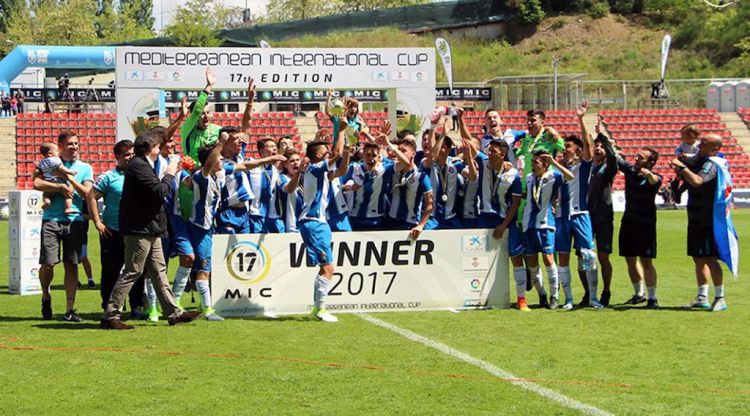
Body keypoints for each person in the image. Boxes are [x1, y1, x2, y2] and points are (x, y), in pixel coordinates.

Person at [101, 130, 201, 330]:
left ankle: (174, 313)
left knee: (159, 271)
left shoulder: (143, 165)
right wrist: (171, 172)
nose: (161, 148)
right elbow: (160, 191)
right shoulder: (139, 166)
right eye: (157, 146)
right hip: (139, 228)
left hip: (150, 227)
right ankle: (111, 315)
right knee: (133, 270)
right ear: (149, 148)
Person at [33, 131, 94, 322]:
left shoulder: (85, 167)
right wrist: (58, 187)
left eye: (76, 143)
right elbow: (36, 182)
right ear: (60, 146)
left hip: (74, 221)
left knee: (72, 264)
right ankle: (46, 295)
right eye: (70, 144)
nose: (75, 147)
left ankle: (69, 309)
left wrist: (69, 182)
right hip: (51, 219)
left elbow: (87, 192)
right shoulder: (50, 162)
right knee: (48, 263)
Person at [670, 134, 730, 312]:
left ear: (714, 149)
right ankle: (702, 296)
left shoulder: (712, 163)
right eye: (701, 142)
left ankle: (720, 297)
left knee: (710, 257)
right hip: (695, 215)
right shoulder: (699, 160)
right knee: (698, 256)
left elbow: (697, 181)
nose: (699, 145)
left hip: (708, 218)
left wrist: (683, 168)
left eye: (705, 143)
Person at [554, 101, 602, 310]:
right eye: (564, 147)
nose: (565, 150)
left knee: (588, 255)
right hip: (561, 217)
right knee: (563, 256)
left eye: (569, 147)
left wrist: (581, 119)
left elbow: (589, 146)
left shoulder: (584, 166)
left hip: (581, 214)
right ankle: (568, 299)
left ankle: (592, 297)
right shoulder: (557, 168)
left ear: (578, 151)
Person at [297, 136, 350, 323]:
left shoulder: (321, 172)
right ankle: (320, 310)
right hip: (314, 222)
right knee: (328, 267)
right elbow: (336, 154)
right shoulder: (315, 168)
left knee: (326, 267)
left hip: (319, 222)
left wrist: (348, 150)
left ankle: (318, 309)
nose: (329, 154)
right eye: (325, 152)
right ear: (319, 156)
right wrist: (342, 129)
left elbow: (342, 169)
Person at [86, 140, 135, 311]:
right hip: (112, 232)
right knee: (110, 272)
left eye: (132, 154)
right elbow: (91, 196)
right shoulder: (108, 177)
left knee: (135, 271)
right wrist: (97, 222)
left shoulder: (139, 174)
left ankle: (136, 305)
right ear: (117, 157)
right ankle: (109, 304)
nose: (130, 157)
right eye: (126, 154)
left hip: (134, 231)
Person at [522, 150, 574, 309]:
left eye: (536, 162)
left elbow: (570, 177)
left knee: (548, 259)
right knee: (531, 264)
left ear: (545, 165)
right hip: (528, 224)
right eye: (532, 162)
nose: (533, 165)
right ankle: (542, 294)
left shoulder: (553, 176)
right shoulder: (530, 177)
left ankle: (554, 296)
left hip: (545, 224)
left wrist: (553, 162)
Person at [617, 145, 662, 308]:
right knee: (630, 259)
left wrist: (649, 174)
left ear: (650, 162)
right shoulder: (630, 170)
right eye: (637, 156)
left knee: (646, 261)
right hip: (628, 221)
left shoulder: (655, 177)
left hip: (646, 225)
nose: (636, 159)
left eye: (641, 157)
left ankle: (652, 298)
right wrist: (602, 136)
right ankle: (638, 293)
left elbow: (655, 181)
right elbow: (616, 158)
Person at [586, 116, 618, 307]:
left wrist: (602, 136)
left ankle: (606, 290)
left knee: (603, 256)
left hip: (604, 217)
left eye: (601, 147)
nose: (598, 149)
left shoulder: (608, 168)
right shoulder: (586, 167)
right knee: (585, 256)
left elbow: (614, 157)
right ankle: (589, 294)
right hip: (586, 217)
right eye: (595, 146)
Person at [382, 134, 434, 239]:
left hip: (410, 225)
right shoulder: (392, 170)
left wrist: (421, 225)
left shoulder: (421, 177)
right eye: (398, 150)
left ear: (413, 154)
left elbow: (430, 204)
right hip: (390, 222)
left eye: (403, 151)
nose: (399, 153)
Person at [181, 67, 221, 166]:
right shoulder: (187, 129)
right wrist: (209, 86)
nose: (206, 116)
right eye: (202, 114)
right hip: (193, 174)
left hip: (212, 173)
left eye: (208, 112)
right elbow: (197, 110)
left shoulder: (218, 130)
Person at [37, 142, 77, 213]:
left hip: (47, 181)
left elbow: (38, 171)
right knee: (68, 194)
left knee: (46, 194)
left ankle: (47, 201)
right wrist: (70, 172)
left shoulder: (41, 162)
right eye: (56, 151)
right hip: (57, 180)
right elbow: (60, 168)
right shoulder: (55, 159)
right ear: (50, 153)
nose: (58, 152)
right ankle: (68, 208)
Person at [669, 124, 700, 204]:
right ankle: (675, 184)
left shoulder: (697, 145)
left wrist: (687, 155)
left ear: (693, 136)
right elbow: (677, 151)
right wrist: (679, 155)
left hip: (692, 166)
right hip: (684, 163)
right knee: (682, 175)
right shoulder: (682, 145)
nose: (682, 138)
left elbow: (698, 154)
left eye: (684, 135)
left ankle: (678, 191)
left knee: (688, 182)